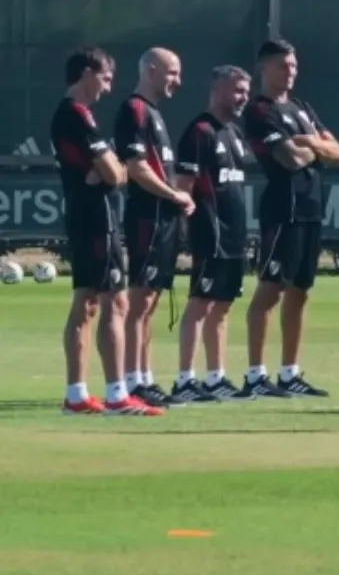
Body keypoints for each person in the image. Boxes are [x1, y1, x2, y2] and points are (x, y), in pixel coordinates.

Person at [50, 47, 157, 416]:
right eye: (106, 77)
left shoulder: (79, 116)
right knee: (112, 301)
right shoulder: (76, 116)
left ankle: (78, 395)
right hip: (96, 218)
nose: (109, 87)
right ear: (85, 73)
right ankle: (116, 395)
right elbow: (115, 173)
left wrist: (111, 169)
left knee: (90, 302)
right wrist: (110, 169)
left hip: (94, 216)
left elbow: (114, 170)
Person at [243, 38, 339, 398]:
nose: (291, 72)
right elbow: (289, 159)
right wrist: (313, 145)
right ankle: (255, 375)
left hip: (311, 208)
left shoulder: (301, 107)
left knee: (300, 291)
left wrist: (309, 141)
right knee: (270, 289)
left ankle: (289, 373)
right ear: (265, 67)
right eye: (284, 66)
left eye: (295, 66)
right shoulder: (259, 110)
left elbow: (337, 152)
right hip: (281, 209)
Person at [115, 48, 194, 408]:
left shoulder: (155, 114)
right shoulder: (134, 109)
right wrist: (174, 194)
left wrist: (177, 199)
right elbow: (136, 168)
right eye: (172, 72)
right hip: (146, 215)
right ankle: (131, 380)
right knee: (141, 298)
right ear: (151, 69)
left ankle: (144, 376)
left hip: (164, 217)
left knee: (154, 299)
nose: (177, 80)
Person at [171, 66, 255, 404]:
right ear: (218, 90)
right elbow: (184, 188)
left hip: (235, 234)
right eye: (237, 90)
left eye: (246, 91)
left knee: (223, 306)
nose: (243, 97)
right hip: (211, 232)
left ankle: (216, 377)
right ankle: (184, 380)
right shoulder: (199, 131)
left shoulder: (233, 132)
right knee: (200, 304)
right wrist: (188, 228)